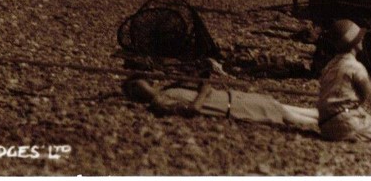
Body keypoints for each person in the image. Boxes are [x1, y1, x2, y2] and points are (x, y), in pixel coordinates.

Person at [123, 77, 318, 129]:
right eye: (132, 89)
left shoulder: (168, 89)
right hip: (229, 108)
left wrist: (200, 85)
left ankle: (324, 113)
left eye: (136, 83)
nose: (137, 87)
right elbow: (191, 110)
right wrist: (205, 91)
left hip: (231, 96)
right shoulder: (159, 101)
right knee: (285, 116)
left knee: (276, 104)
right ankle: (327, 120)